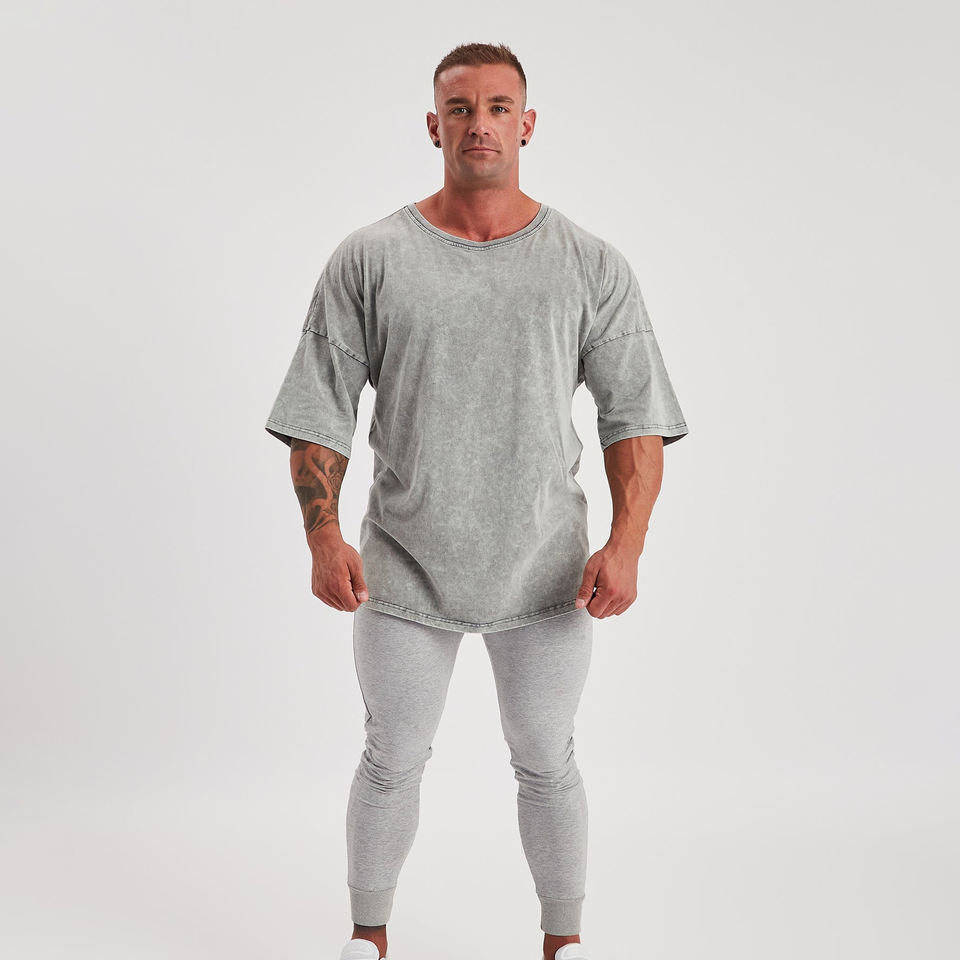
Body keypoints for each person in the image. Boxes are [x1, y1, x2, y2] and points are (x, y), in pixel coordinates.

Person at [264, 42, 689, 960]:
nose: (480, 124)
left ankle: (564, 943)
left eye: (499, 108)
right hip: (403, 566)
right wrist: (323, 537)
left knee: (547, 759)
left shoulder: (588, 264)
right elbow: (319, 410)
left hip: (546, 571)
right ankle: (368, 937)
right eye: (461, 109)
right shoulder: (371, 258)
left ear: (527, 124)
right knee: (391, 757)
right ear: (435, 125)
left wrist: (628, 543)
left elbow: (636, 417)